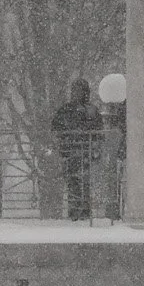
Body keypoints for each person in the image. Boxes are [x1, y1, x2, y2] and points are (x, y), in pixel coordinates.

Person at [51, 79, 102, 220]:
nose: (76, 93)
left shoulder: (91, 110)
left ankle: (84, 213)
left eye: (79, 90)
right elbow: (55, 127)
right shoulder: (66, 109)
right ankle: (74, 213)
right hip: (71, 152)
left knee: (84, 183)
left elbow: (98, 132)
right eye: (74, 90)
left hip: (84, 152)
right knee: (73, 182)